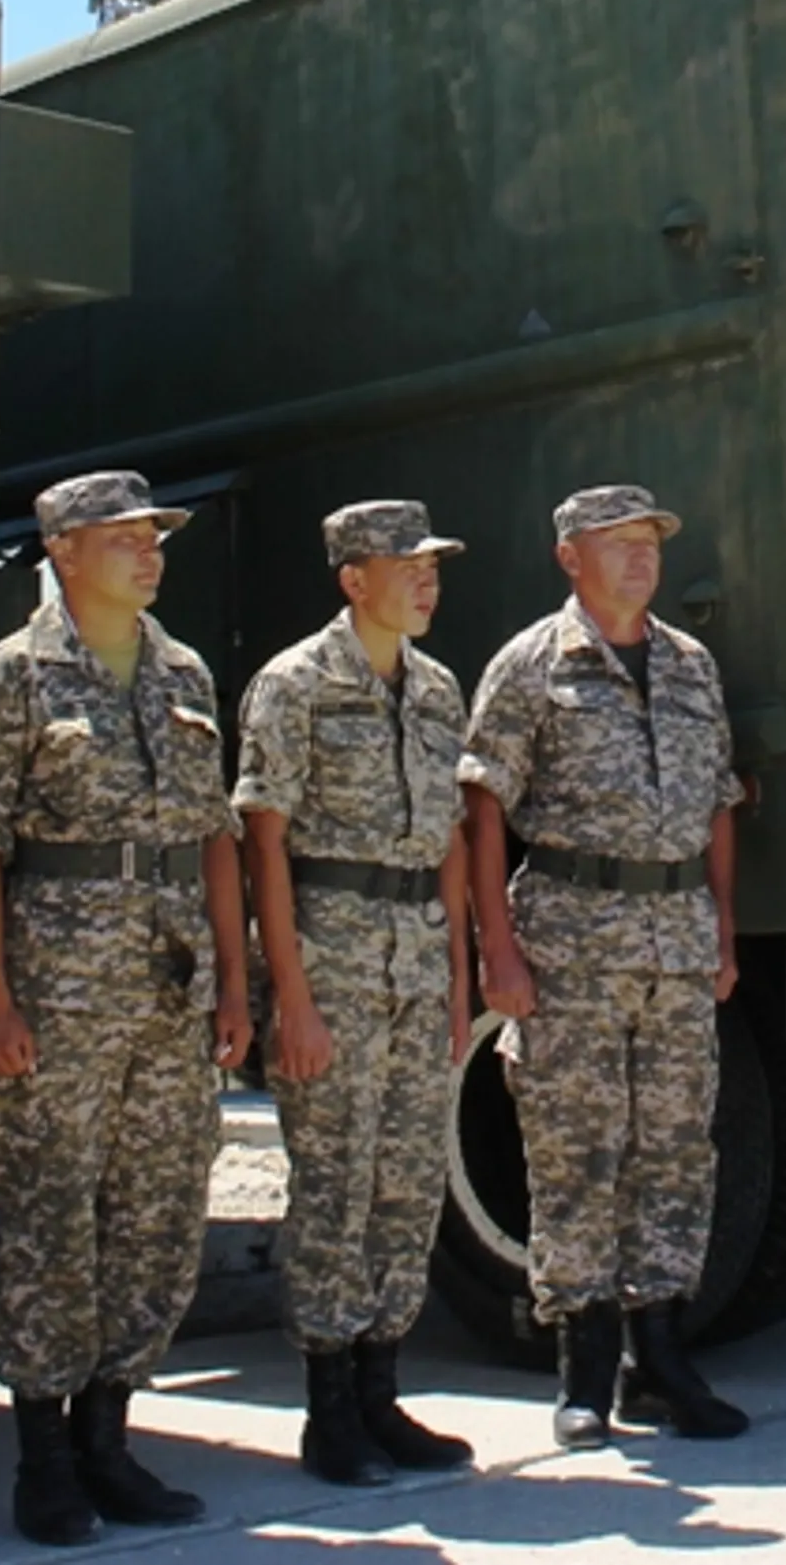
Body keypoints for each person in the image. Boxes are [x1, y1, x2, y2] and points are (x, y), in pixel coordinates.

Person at [0, 471, 252, 1546]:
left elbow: (215, 834)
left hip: (171, 991)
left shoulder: (184, 669)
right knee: (50, 1218)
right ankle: (42, 1459)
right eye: (125, 537)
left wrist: (233, 975)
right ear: (64, 549)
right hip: (59, 989)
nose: (151, 551)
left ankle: (109, 1437)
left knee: (159, 1213)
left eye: (156, 535)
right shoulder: (11, 675)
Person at [457, 484, 749, 1449]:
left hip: (675, 936)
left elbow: (716, 800)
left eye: (651, 543)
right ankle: (583, 1371)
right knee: (577, 1151)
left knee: (675, 1148)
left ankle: (661, 1359)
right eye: (619, 544)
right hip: (571, 938)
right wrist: (496, 947)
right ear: (571, 556)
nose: (641, 559)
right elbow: (485, 805)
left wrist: (723, 928)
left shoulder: (691, 664)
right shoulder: (532, 665)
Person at [235, 500, 481, 1485]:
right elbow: (263, 839)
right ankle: (328, 1404)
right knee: (334, 1183)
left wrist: (460, 980)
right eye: (405, 563)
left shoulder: (434, 688)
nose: (426, 579)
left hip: (418, 958)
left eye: (432, 563)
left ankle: (382, 1388)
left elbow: (454, 840)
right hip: (331, 955)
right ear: (352, 578)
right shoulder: (296, 684)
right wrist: (286, 995)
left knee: (409, 1180)